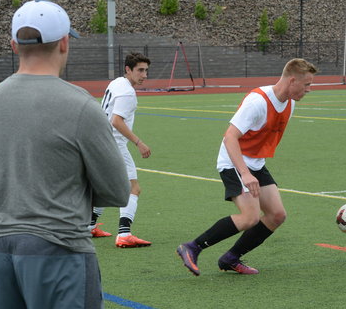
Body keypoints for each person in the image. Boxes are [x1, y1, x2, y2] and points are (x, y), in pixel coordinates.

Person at [0, 0, 130, 309]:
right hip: (59, 250)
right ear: (64, 43)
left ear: (14, 45)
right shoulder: (78, 104)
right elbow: (117, 190)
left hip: (0, 249)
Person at [176, 58, 318, 276]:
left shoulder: (290, 103)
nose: (309, 89)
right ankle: (192, 247)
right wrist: (245, 173)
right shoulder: (257, 101)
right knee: (250, 217)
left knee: (277, 215)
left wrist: (253, 171)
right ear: (292, 81)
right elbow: (230, 137)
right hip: (234, 162)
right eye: (306, 84)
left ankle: (231, 258)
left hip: (255, 163)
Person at [88, 53, 153, 248]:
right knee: (133, 188)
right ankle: (124, 234)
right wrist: (139, 142)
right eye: (140, 70)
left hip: (100, 142)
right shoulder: (127, 93)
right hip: (114, 145)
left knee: (105, 188)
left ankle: (89, 226)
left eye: (146, 71)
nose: (144, 75)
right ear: (128, 69)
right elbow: (116, 121)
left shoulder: (117, 82)